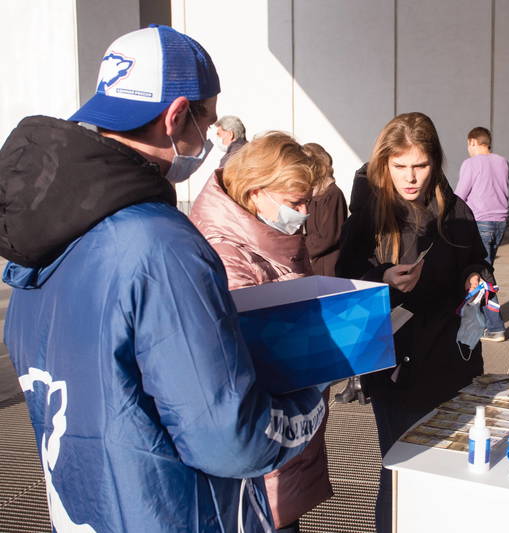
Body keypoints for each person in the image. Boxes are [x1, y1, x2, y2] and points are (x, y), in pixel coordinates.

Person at [0, 26, 325, 533]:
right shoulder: (161, 245)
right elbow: (228, 438)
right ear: (176, 116)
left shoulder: (40, 239)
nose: (208, 138)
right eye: (207, 120)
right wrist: (309, 404)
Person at [336, 112, 494, 533]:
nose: (411, 178)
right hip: (394, 368)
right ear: (384, 163)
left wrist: (476, 277)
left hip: (452, 360)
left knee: (449, 469)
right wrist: (382, 279)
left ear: (436, 162)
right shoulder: (369, 213)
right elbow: (342, 281)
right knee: (401, 470)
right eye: (400, 166)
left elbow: (476, 258)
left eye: (420, 166)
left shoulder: (454, 209)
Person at [189, 133, 333, 533]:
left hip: (284, 428)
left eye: (308, 202)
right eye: (295, 203)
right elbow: (248, 355)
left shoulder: (271, 237)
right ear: (255, 192)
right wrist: (324, 355)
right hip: (262, 435)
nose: (304, 214)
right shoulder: (227, 249)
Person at [455, 126, 509, 342]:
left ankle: (494, 327)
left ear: (473, 142)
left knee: (481, 276)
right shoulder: (502, 162)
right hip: (500, 222)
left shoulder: (471, 163)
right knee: (484, 272)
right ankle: (487, 324)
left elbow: (460, 195)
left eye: (468, 145)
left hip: (479, 222)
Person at [302, 142, 348, 277]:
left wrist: (301, 249)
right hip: (315, 263)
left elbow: (328, 236)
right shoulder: (313, 194)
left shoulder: (332, 194)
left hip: (328, 267)